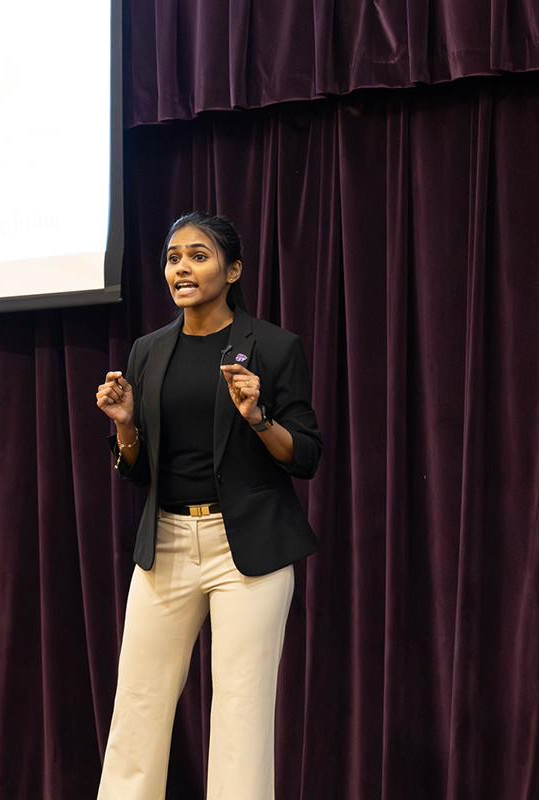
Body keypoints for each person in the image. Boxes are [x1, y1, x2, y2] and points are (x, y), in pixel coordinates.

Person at [94, 211, 321, 799]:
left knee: (241, 713)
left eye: (198, 255)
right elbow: (139, 470)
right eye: (173, 258)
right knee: (137, 707)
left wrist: (258, 418)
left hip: (245, 548)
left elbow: (305, 456)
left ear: (233, 269)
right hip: (166, 544)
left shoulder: (271, 347)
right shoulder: (148, 351)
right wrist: (124, 427)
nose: (182, 268)